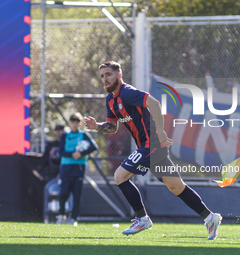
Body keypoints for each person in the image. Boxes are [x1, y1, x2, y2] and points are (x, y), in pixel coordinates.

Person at [84, 61, 222, 240]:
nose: (105, 79)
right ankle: (210, 217)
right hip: (149, 146)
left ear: (119, 75)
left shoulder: (127, 92)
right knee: (176, 186)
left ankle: (142, 218)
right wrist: (97, 126)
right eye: (102, 76)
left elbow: (154, 103)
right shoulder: (110, 100)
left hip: (152, 143)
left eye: (108, 74)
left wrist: (161, 131)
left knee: (120, 176)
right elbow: (112, 127)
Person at [56, 113, 98, 225]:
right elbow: (61, 151)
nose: (74, 124)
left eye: (77, 122)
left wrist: (81, 154)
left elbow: (94, 147)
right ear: (69, 123)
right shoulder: (65, 135)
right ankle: (61, 215)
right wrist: (72, 155)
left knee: (76, 194)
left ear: (80, 123)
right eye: (72, 121)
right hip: (66, 167)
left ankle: (74, 218)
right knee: (64, 192)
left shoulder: (84, 135)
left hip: (78, 168)